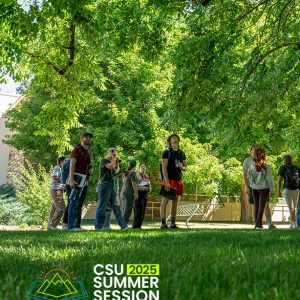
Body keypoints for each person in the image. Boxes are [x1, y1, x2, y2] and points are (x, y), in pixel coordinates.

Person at [243, 144, 276, 229]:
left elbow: (249, 177)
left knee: (258, 206)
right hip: (263, 189)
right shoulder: (266, 166)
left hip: (254, 189)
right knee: (261, 207)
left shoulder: (252, 166)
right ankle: (258, 224)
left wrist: (252, 185)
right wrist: (272, 190)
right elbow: (269, 179)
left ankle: (258, 224)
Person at [94, 148, 128, 230]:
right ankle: (98, 226)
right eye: (112, 151)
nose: (113, 152)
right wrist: (114, 159)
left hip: (112, 185)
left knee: (116, 206)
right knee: (102, 206)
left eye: (115, 151)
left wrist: (120, 170)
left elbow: (116, 171)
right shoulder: (104, 161)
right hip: (104, 184)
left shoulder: (114, 162)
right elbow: (110, 167)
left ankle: (123, 226)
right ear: (108, 152)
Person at [160, 134, 187, 229]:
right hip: (169, 180)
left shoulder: (182, 153)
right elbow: (164, 168)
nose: (175, 140)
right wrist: (166, 181)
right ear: (170, 142)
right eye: (173, 140)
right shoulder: (166, 152)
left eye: (177, 139)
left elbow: (185, 167)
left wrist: (182, 167)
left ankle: (172, 224)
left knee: (175, 202)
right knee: (165, 201)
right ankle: (163, 224)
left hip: (178, 180)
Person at [68, 132, 93, 230]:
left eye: (89, 138)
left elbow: (88, 166)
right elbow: (72, 164)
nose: (88, 139)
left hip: (85, 180)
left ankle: (77, 225)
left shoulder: (88, 152)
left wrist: (90, 172)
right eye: (86, 137)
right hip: (76, 179)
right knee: (73, 202)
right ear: (81, 139)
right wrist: (71, 179)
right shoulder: (76, 150)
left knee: (80, 203)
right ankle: (71, 226)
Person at [278, 155, 300, 228]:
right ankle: (294, 224)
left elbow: (279, 180)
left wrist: (279, 191)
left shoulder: (282, 167)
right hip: (296, 189)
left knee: (290, 208)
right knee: (295, 207)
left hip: (287, 189)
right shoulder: (296, 167)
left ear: (285, 161)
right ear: (291, 160)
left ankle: (293, 224)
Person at [48, 156, 66, 230]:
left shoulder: (61, 169)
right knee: (61, 208)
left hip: (57, 189)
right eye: (65, 161)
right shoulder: (57, 167)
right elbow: (54, 177)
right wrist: (63, 181)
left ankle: (49, 227)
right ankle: (53, 225)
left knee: (54, 209)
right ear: (61, 161)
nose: (66, 163)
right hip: (56, 189)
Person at [132, 163, 151, 229]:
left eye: (144, 167)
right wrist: (144, 188)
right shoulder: (137, 176)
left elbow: (149, 185)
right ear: (139, 168)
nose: (143, 168)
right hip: (139, 194)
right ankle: (135, 226)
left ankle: (139, 226)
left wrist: (149, 188)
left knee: (143, 210)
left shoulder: (146, 176)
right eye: (142, 167)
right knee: (138, 210)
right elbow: (135, 187)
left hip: (145, 194)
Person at [121, 159, 139, 224]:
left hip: (123, 190)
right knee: (128, 209)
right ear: (135, 165)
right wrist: (136, 193)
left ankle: (122, 223)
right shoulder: (133, 172)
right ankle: (124, 224)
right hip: (129, 190)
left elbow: (123, 181)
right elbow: (133, 183)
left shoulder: (126, 172)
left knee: (124, 209)